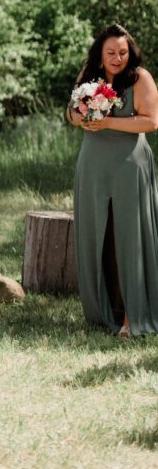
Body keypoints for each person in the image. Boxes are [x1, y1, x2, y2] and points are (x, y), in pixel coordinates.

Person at [67, 23, 158, 338]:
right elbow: (71, 112)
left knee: (128, 236)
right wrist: (80, 117)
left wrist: (106, 121)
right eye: (111, 53)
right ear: (100, 53)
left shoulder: (140, 78)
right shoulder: (89, 76)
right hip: (92, 165)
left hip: (129, 167)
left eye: (123, 52)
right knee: (96, 234)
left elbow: (151, 121)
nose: (118, 58)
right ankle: (101, 310)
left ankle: (134, 316)